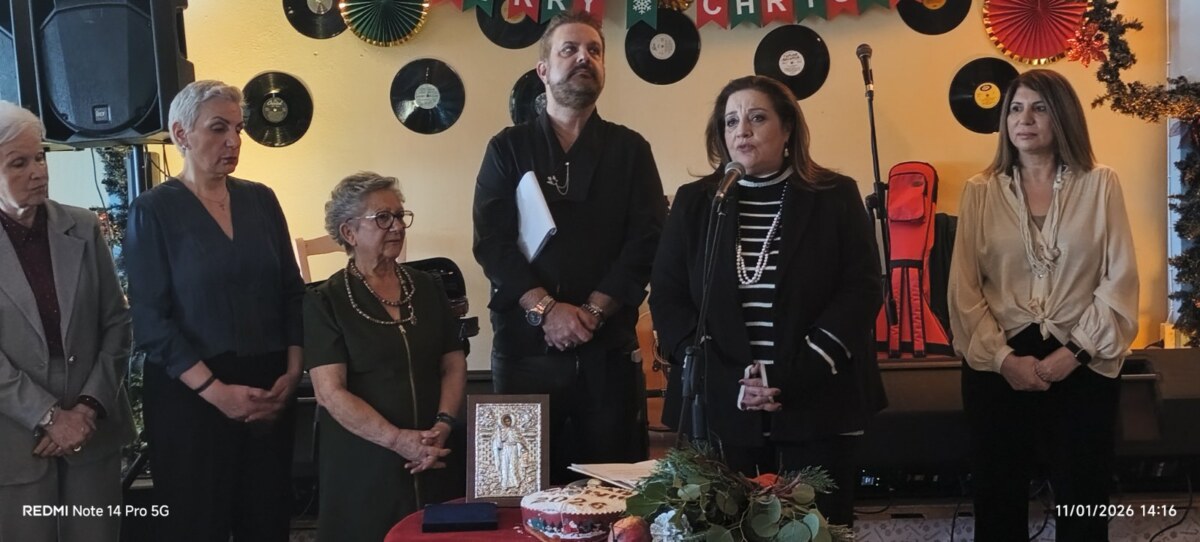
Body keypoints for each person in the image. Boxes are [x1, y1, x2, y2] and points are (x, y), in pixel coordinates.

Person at [649, 75, 885, 526]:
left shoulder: (834, 195)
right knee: (722, 531)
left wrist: (790, 376)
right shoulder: (697, 202)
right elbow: (668, 295)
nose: (742, 130)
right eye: (730, 121)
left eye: (757, 118)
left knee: (814, 531)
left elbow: (862, 288)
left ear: (788, 128)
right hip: (719, 404)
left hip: (816, 400)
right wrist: (723, 378)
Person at [472, 11, 667, 483]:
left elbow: (647, 240)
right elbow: (492, 242)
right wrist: (546, 309)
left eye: (594, 51)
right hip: (524, 351)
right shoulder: (507, 148)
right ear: (543, 70)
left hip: (608, 352)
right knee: (518, 485)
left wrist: (593, 311)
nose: (584, 58)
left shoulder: (630, 150)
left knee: (615, 491)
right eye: (570, 49)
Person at [948, 69, 1138, 542]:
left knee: (1083, 504)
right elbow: (964, 289)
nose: (1024, 119)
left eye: (1038, 108)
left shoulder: (1101, 184)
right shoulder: (980, 190)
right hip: (999, 365)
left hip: (1082, 363)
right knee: (998, 503)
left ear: (1063, 116)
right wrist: (1002, 359)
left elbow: (1119, 278)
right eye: (1015, 109)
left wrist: (1073, 354)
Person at [125, 80, 305, 542]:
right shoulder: (153, 210)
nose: (234, 142)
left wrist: (292, 374)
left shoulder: (261, 199)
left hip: (269, 391)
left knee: (267, 522)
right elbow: (151, 321)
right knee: (197, 525)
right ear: (181, 134)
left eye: (239, 130)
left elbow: (292, 291)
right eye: (219, 128)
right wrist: (217, 392)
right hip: (192, 396)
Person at [305, 172, 467, 542]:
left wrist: (442, 426)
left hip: (434, 451)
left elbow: (453, 362)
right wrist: (396, 440)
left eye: (399, 215)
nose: (396, 226)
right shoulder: (325, 301)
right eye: (382, 218)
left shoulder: (427, 287)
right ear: (349, 232)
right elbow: (329, 392)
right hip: (364, 462)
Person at [0, 101, 136, 541]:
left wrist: (87, 408)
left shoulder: (81, 225)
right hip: (13, 433)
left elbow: (116, 323)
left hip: (91, 422)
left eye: (40, 157)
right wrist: (47, 415)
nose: (38, 172)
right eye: (18, 163)